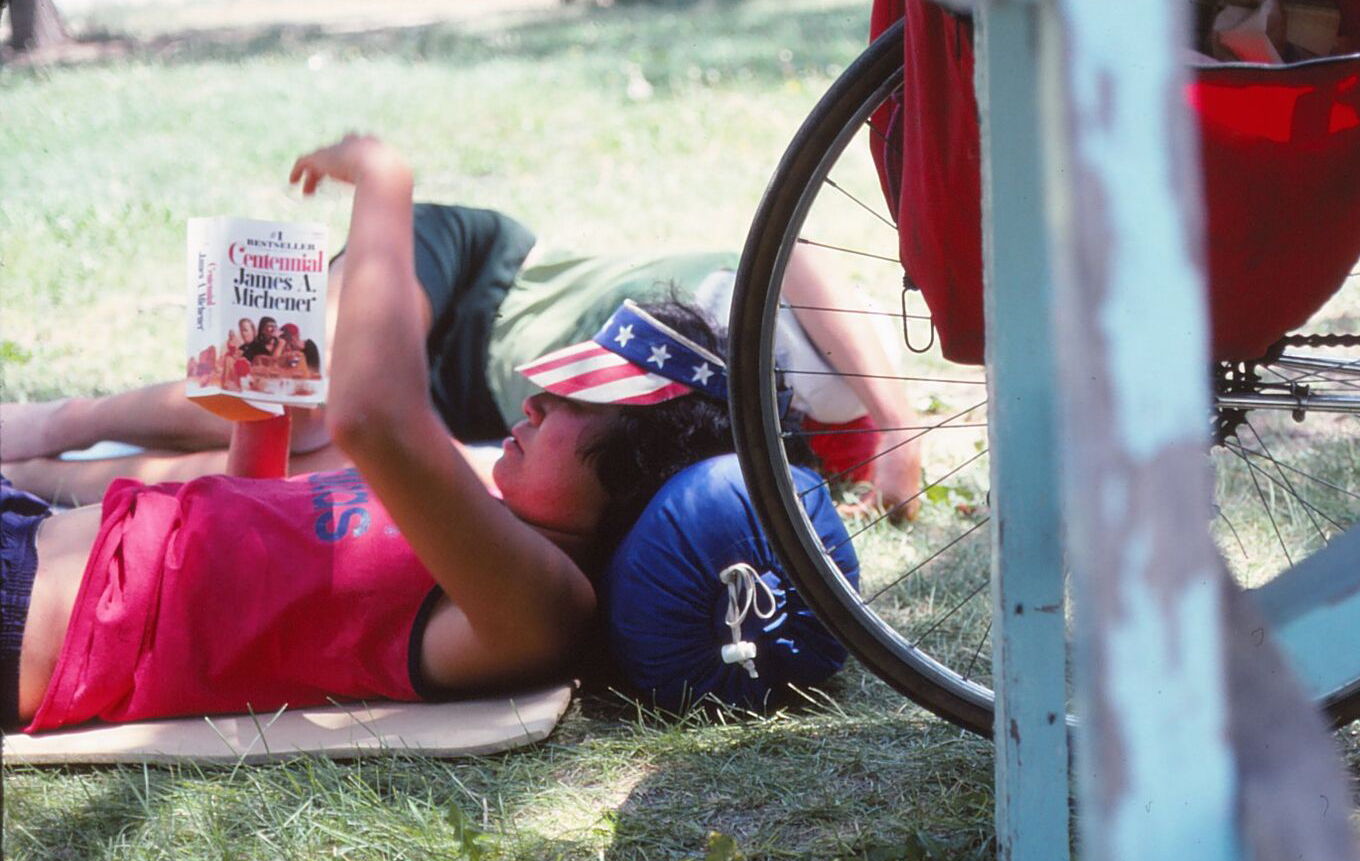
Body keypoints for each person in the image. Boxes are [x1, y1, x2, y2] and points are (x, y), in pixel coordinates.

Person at [1, 135, 739, 735]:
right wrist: (265, 413)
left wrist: (385, 180)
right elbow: (252, 581)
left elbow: (374, 418)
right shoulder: (492, 520)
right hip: (37, 536)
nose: (539, 399)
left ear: (636, 478)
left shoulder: (545, 605)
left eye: (582, 401)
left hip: (25, 601)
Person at [3, 212, 923, 520]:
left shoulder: (791, 447)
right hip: (475, 274)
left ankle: (48, 482)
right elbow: (802, 255)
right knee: (306, 396)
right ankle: (55, 424)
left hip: (472, 405)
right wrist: (902, 429)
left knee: (321, 463)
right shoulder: (832, 360)